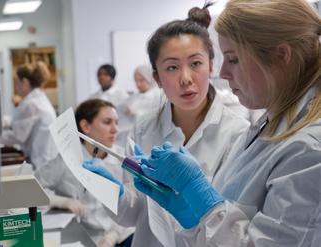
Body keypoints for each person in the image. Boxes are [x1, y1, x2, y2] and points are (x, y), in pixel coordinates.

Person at [127, 0, 321, 245]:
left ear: (281, 55)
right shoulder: (266, 125)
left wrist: (204, 201)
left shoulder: (310, 148)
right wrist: (193, 216)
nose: (223, 73)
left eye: (234, 59)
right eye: (172, 67)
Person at [82, 3, 250, 246]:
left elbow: (235, 232)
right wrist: (111, 191)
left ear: (212, 67)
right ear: (157, 79)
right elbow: (133, 214)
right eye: (172, 67)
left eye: (195, 63)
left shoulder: (237, 133)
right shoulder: (144, 127)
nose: (185, 78)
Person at [34, 99, 134, 247]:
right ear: (86, 126)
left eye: (116, 122)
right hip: (82, 237)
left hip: (120, 236)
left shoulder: (124, 159)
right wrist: (59, 201)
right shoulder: (66, 160)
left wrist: (112, 237)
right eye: (107, 122)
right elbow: (32, 188)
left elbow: (135, 206)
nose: (115, 129)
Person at [0, 61, 58, 169]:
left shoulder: (31, 104)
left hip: (39, 162)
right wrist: (2, 121)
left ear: (25, 82)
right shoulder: (38, 98)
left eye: (17, 82)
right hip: (46, 159)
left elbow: (18, 136)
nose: (16, 87)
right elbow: (19, 121)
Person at [115, 65, 162, 146]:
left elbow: (158, 119)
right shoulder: (132, 98)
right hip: (128, 138)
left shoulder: (159, 96)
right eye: (136, 80)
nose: (138, 84)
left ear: (149, 78)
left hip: (149, 138)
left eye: (141, 80)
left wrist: (137, 114)